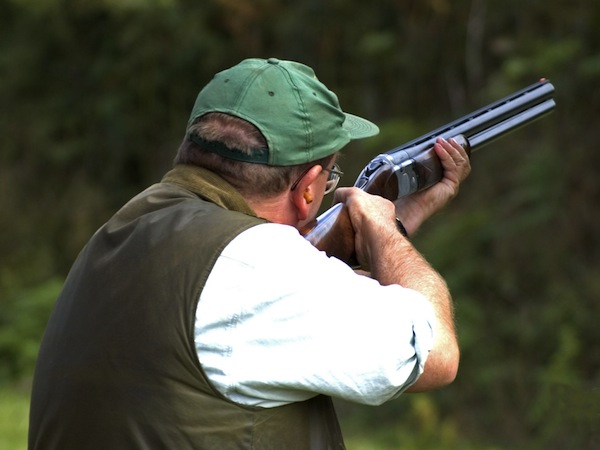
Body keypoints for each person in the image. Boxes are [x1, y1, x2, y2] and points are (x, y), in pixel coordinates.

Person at [28, 57, 471, 449]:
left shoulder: (128, 225)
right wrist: (381, 228)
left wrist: (391, 226)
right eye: (333, 177)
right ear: (310, 187)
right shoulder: (256, 264)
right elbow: (434, 350)